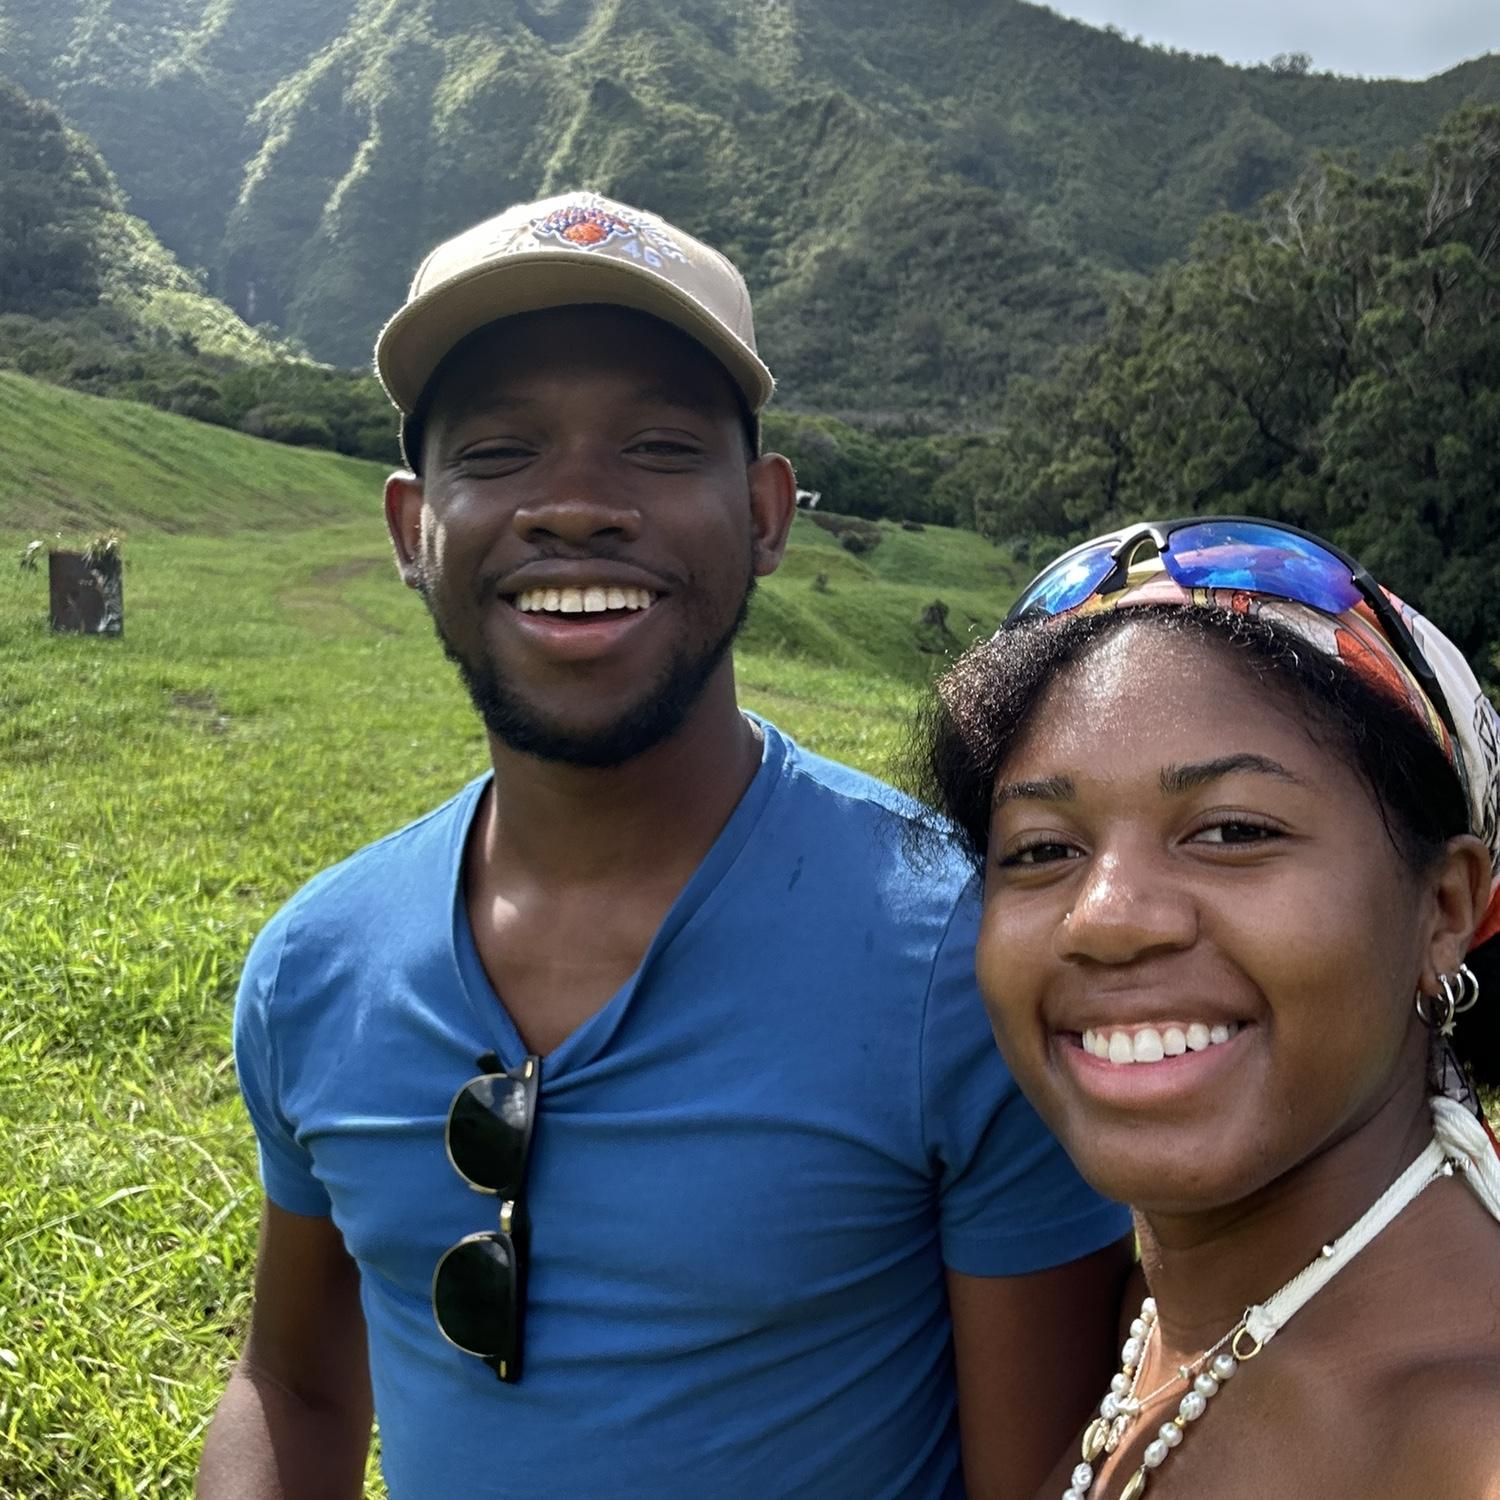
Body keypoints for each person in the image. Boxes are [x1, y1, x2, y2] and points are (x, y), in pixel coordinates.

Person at [196, 191, 1131, 1500]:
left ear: (764, 513)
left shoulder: (961, 954)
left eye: (657, 446)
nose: (577, 506)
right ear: (413, 530)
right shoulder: (314, 970)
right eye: (500, 453)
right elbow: (290, 1386)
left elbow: (1047, 1476)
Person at [912, 517, 1500, 1499]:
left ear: (1443, 910)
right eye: (1042, 849)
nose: (1106, 918)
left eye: (1232, 831)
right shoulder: (1167, 1321)